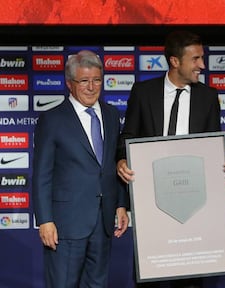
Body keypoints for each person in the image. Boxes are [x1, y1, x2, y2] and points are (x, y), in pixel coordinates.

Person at [116, 30, 225, 288]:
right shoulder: (143, 92)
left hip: (193, 200)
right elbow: (127, 137)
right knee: (149, 276)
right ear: (175, 61)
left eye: (201, 58)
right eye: (195, 59)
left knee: (190, 278)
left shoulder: (208, 97)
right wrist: (121, 161)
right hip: (152, 200)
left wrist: (223, 165)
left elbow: (212, 146)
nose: (202, 65)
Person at [33, 50, 129, 288]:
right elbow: (42, 175)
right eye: (84, 81)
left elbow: (112, 163)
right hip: (66, 224)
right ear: (69, 83)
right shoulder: (52, 119)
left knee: (97, 284)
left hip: (103, 220)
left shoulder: (110, 114)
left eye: (97, 80)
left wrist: (120, 203)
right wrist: (45, 220)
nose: (91, 87)